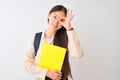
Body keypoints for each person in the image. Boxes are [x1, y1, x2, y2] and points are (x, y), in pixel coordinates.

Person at [24, 5, 83, 80]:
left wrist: (69, 28)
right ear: (49, 15)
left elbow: (78, 54)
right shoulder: (37, 38)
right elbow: (26, 63)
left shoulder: (66, 38)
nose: (56, 22)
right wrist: (46, 72)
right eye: (54, 17)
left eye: (61, 20)